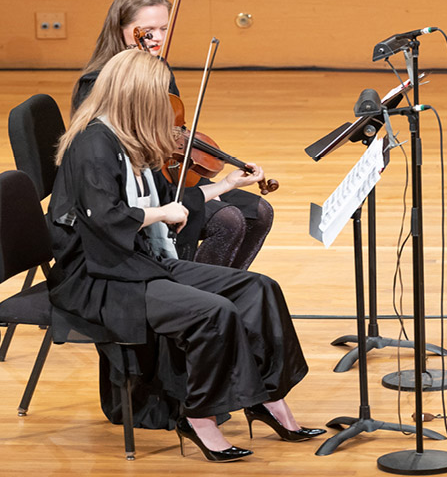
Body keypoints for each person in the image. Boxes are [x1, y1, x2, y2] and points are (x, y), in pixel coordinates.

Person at [48, 49, 324, 461]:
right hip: (100, 277)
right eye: (159, 97)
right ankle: (198, 417)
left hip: (139, 261)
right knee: (214, 311)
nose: (167, 110)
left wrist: (226, 185)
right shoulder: (93, 146)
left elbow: (170, 198)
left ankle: (268, 399)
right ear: (136, 98)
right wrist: (162, 214)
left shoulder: (128, 140)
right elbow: (106, 218)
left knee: (259, 289)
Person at [72, 0, 272, 270]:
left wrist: (207, 175)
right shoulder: (99, 82)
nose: (157, 38)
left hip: (167, 173)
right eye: (148, 30)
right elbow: (113, 158)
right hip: (138, 189)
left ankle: (224, 292)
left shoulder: (157, 68)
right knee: (228, 221)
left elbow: (174, 130)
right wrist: (204, 191)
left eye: (164, 28)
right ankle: (188, 289)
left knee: (260, 212)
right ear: (121, 29)